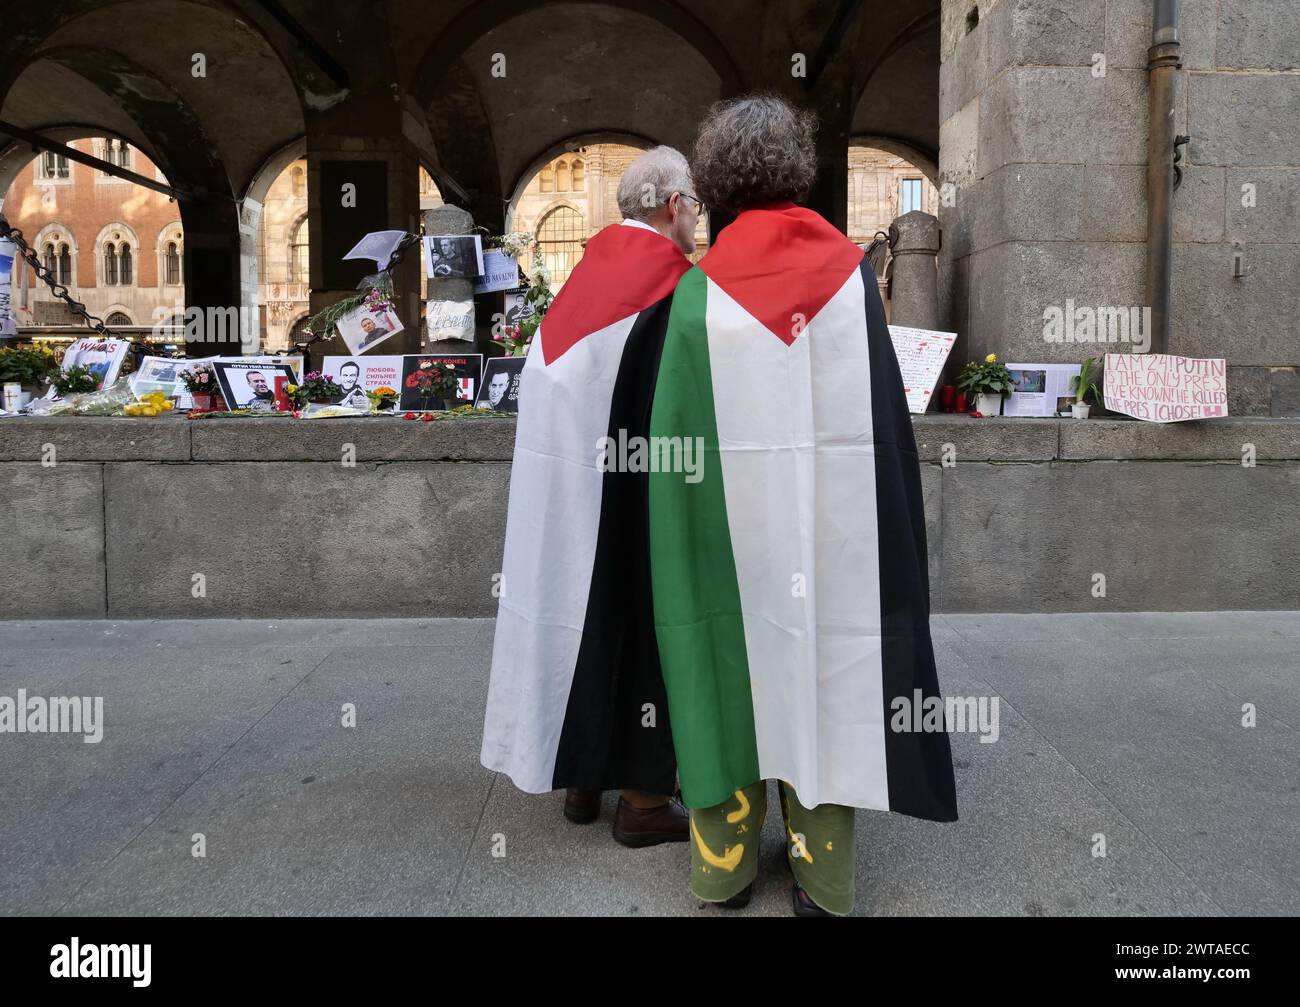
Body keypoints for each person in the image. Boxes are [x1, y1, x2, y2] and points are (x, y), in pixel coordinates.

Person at [647, 96, 958, 916]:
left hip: (725, 538)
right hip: (835, 533)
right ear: (798, 167)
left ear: (714, 180)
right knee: (829, 664)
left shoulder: (696, 293)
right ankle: (823, 878)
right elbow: (880, 428)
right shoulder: (853, 275)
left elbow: (674, 452)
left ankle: (726, 868)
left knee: (724, 661)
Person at [481, 145, 701, 847]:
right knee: (640, 615)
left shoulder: (589, 272)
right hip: (631, 486)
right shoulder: (669, 282)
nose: (697, 216)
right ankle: (639, 797)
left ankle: (582, 777)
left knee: (575, 610)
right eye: (695, 203)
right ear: (672, 206)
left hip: (568, 487)